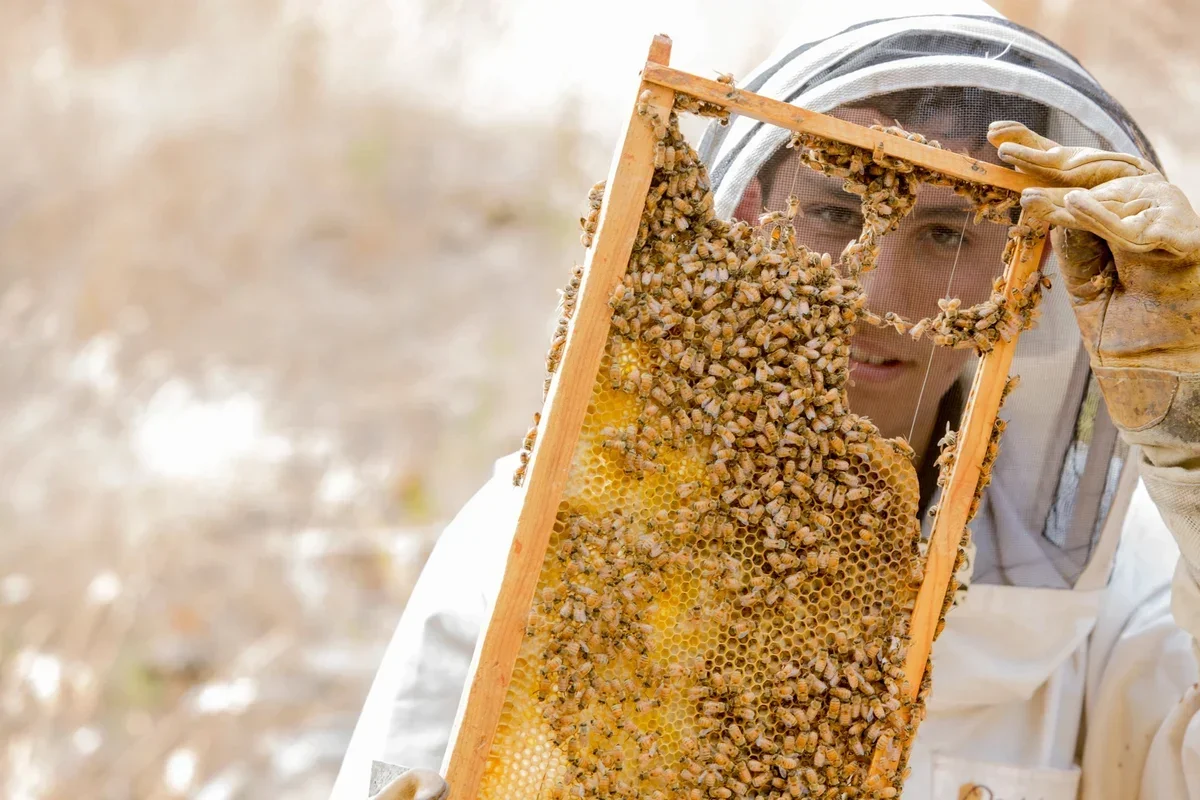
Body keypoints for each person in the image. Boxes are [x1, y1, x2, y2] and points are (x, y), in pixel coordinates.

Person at [335, 2, 1200, 798]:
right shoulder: (538, 537)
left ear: (1021, 272)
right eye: (835, 215)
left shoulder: (1120, 595)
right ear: (749, 213)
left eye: (945, 235)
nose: (874, 296)